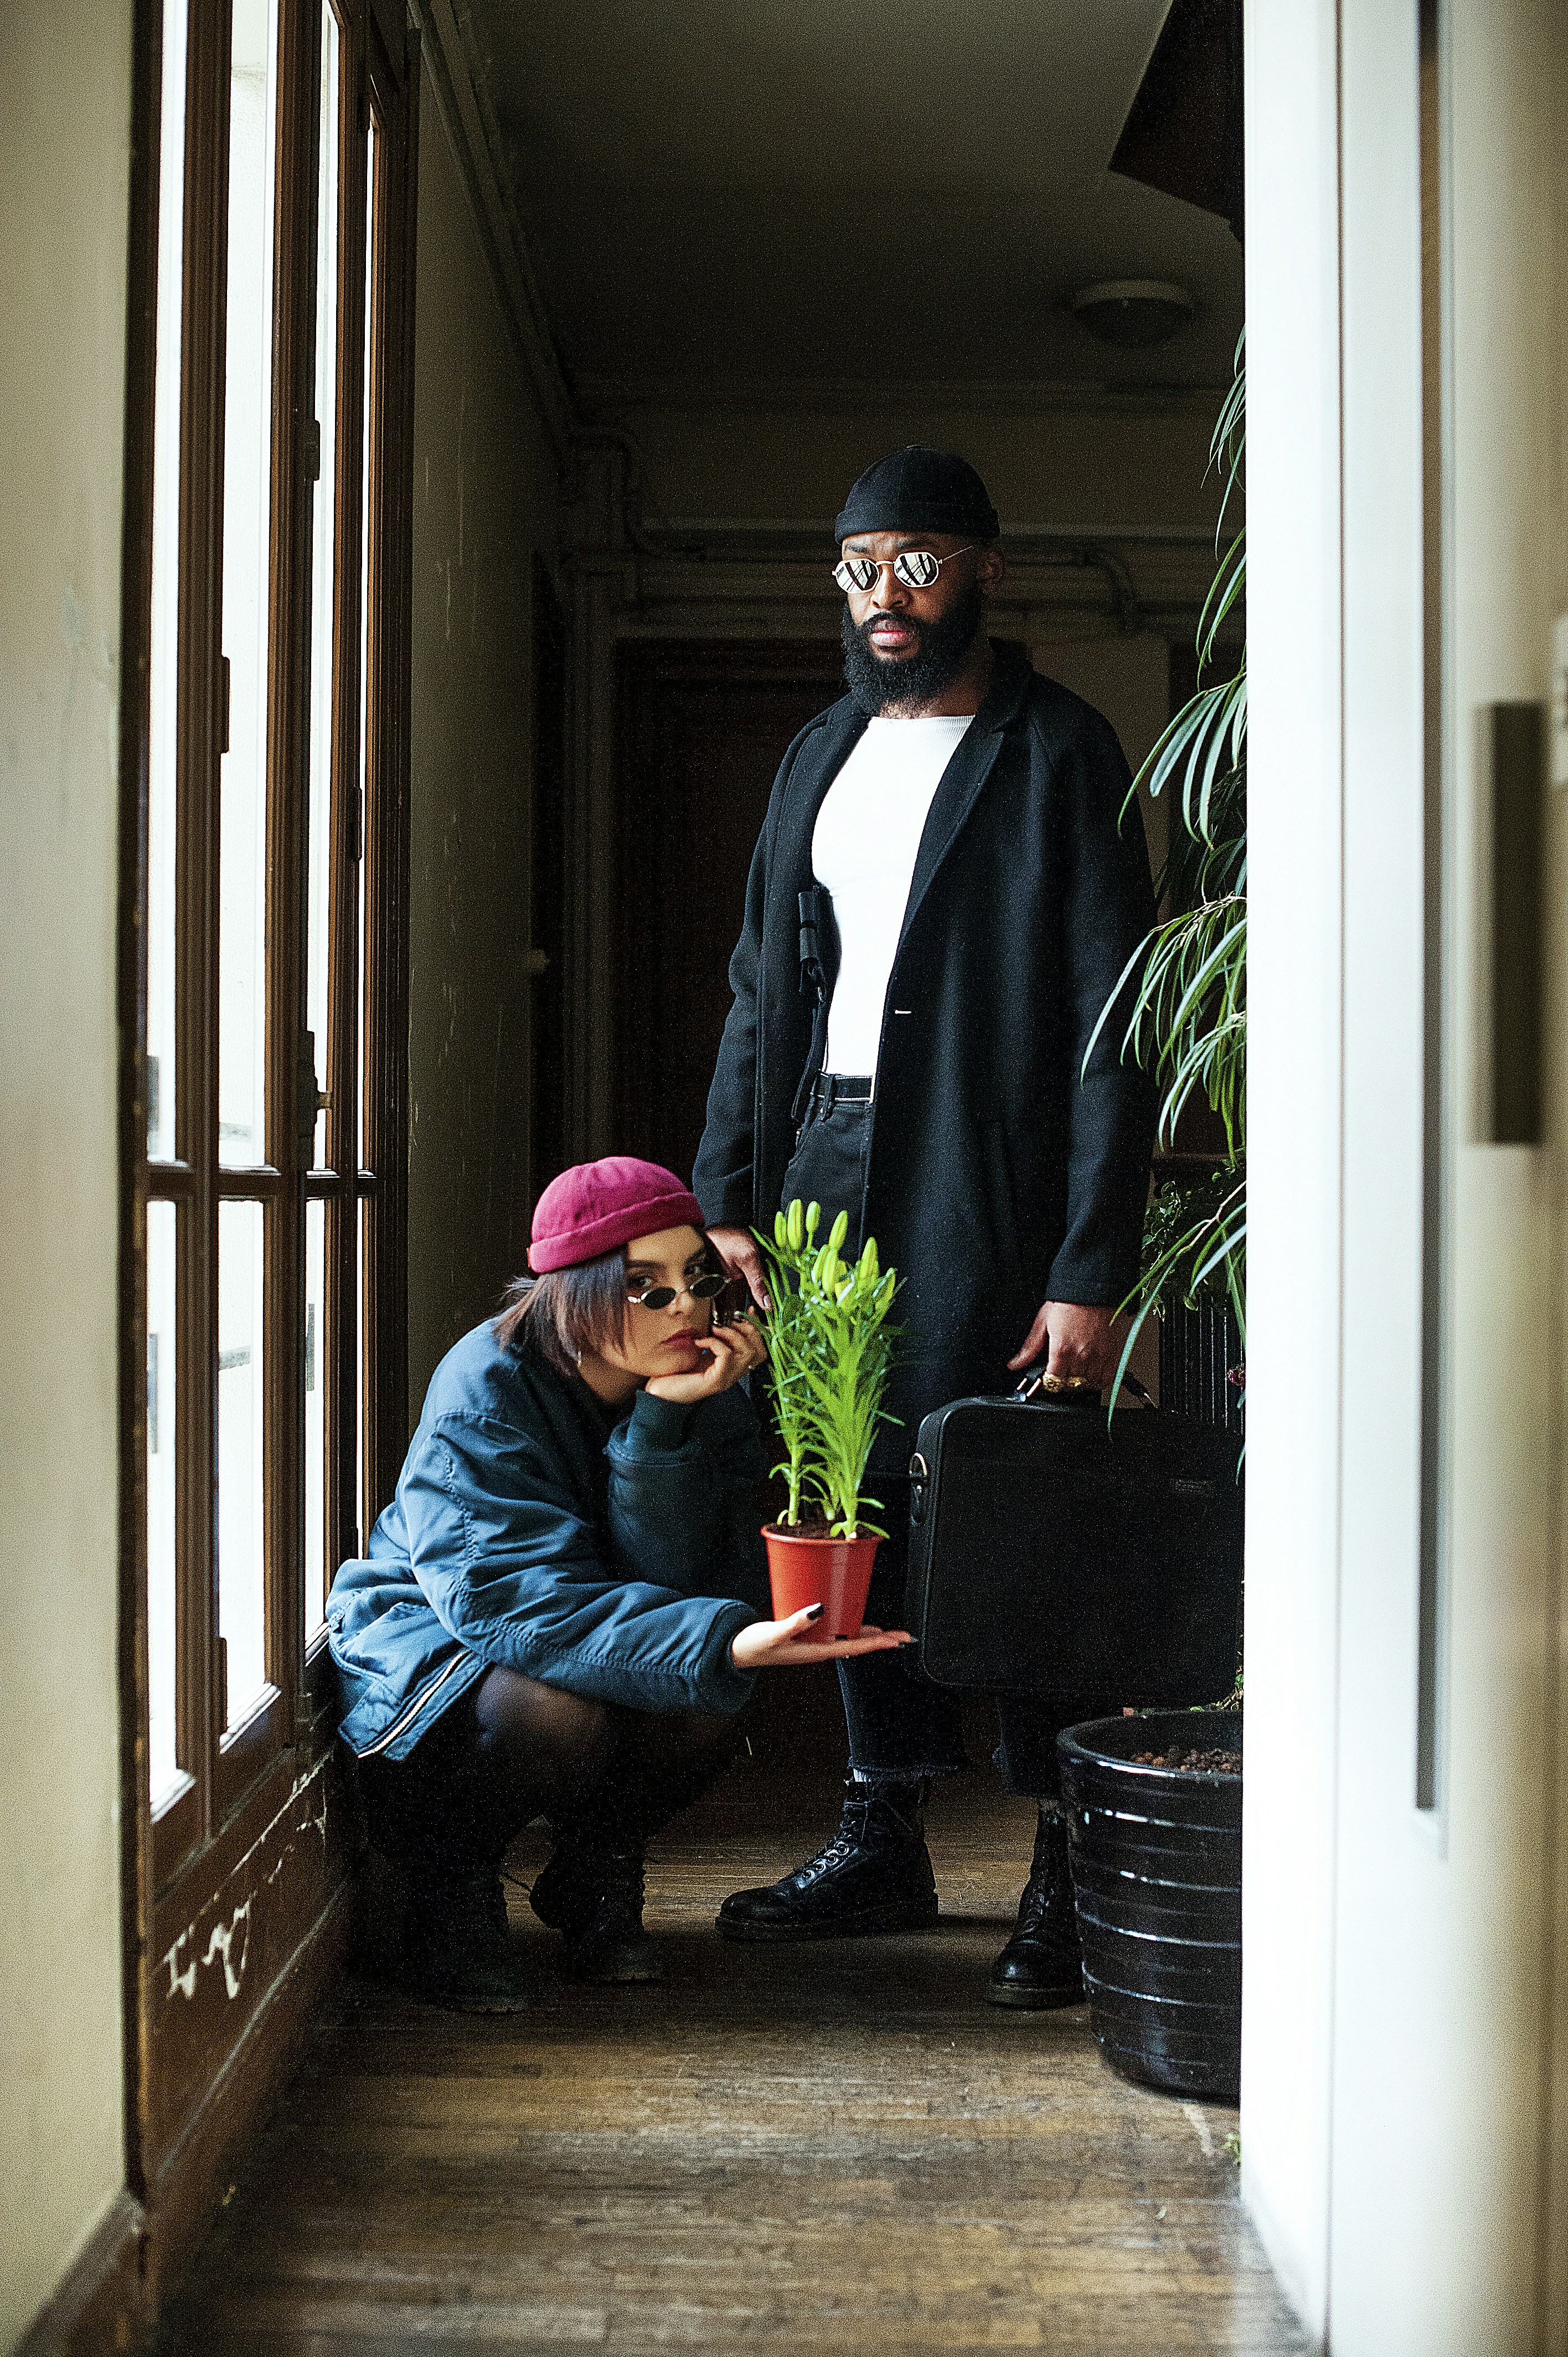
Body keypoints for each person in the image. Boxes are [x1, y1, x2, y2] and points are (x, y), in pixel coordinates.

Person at [694, 446, 1157, 2008]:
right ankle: (880, 1829)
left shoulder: (1056, 753)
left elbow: (1116, 1022)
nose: (885, 597)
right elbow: (763, 991)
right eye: (861, 565)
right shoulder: (819, 751)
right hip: (821, 1157)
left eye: (920, 563)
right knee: (845, 1499)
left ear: (985, 572)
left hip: (988, 1167)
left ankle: (1062, 1873)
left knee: (1008, 1504)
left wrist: (1093, 1267)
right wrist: (725, 1201)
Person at [326, 1156, 911, 2011]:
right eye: (648, 1287)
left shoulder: (702, 1376)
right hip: (440, 1639)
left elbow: (682, 1578)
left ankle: (599, 1863)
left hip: (582, 1617)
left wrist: (665, 1420)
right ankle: (448, 1887)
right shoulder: (483, 1389)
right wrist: (720, 1639)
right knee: (561, 1706)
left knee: (710, 1687)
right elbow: (511, 1605)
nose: (688, 1306)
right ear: (576, 1291)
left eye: (698, 1277)